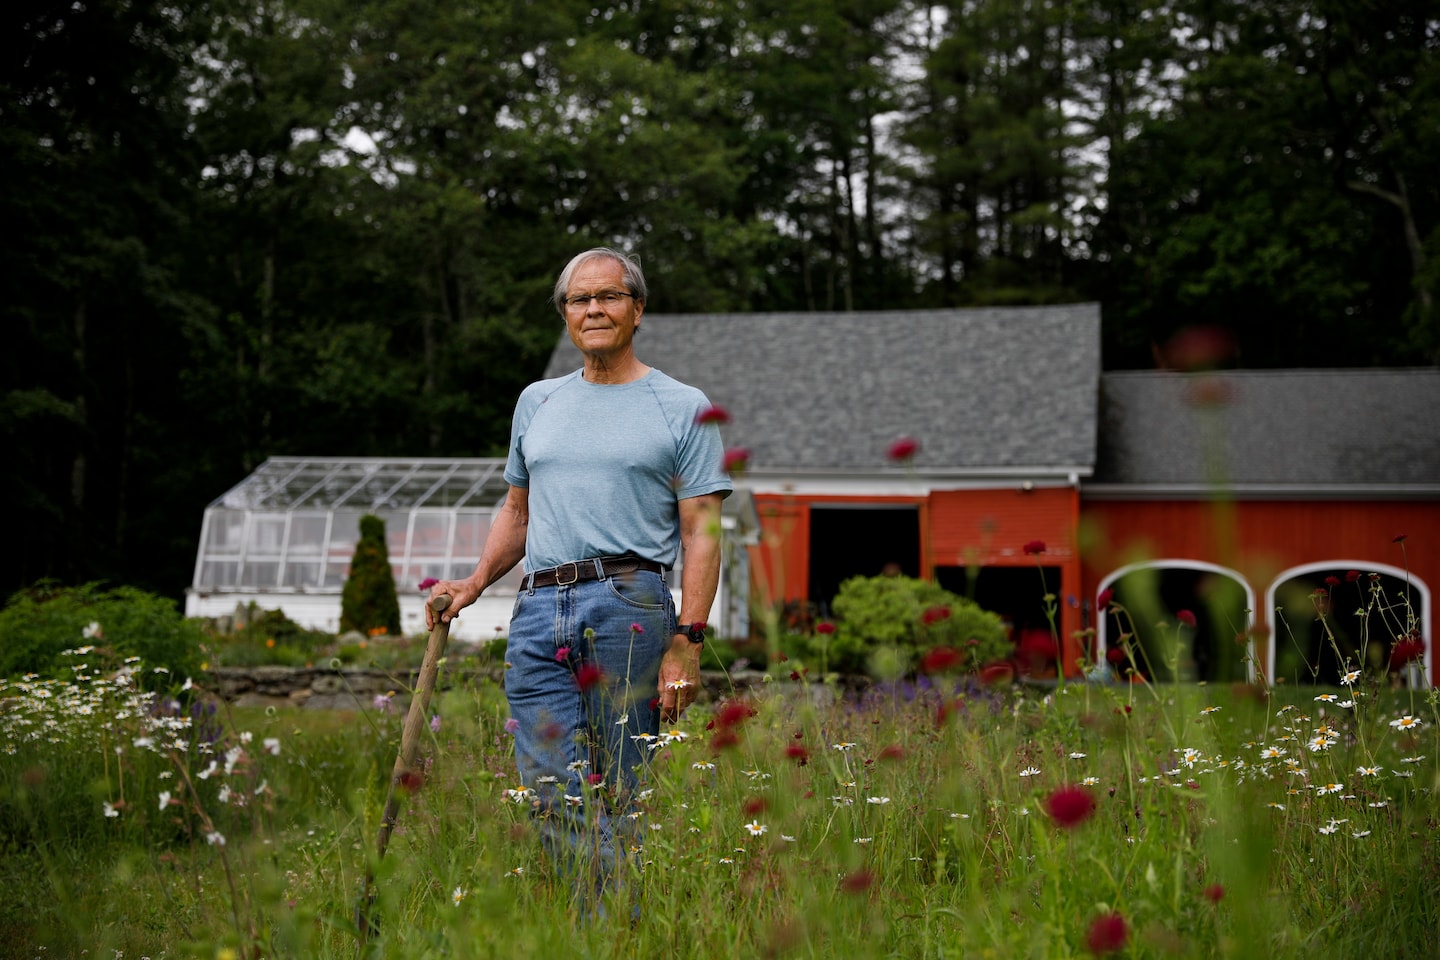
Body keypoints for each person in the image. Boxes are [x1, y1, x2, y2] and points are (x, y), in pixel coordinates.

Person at [425, 246, 732, 904]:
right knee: (548, 788)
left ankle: (613, 930)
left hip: (630, 605)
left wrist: (688, 640)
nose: (593, 308)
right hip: (537, 609)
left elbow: (702, 528)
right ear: (565, 315)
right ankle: (593, 924)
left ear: (637, 309)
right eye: (578, 299)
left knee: (621, 789)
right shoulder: (537, 401)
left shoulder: (681, 405)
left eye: (609, 296)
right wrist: (473, 584)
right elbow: (517, 509)